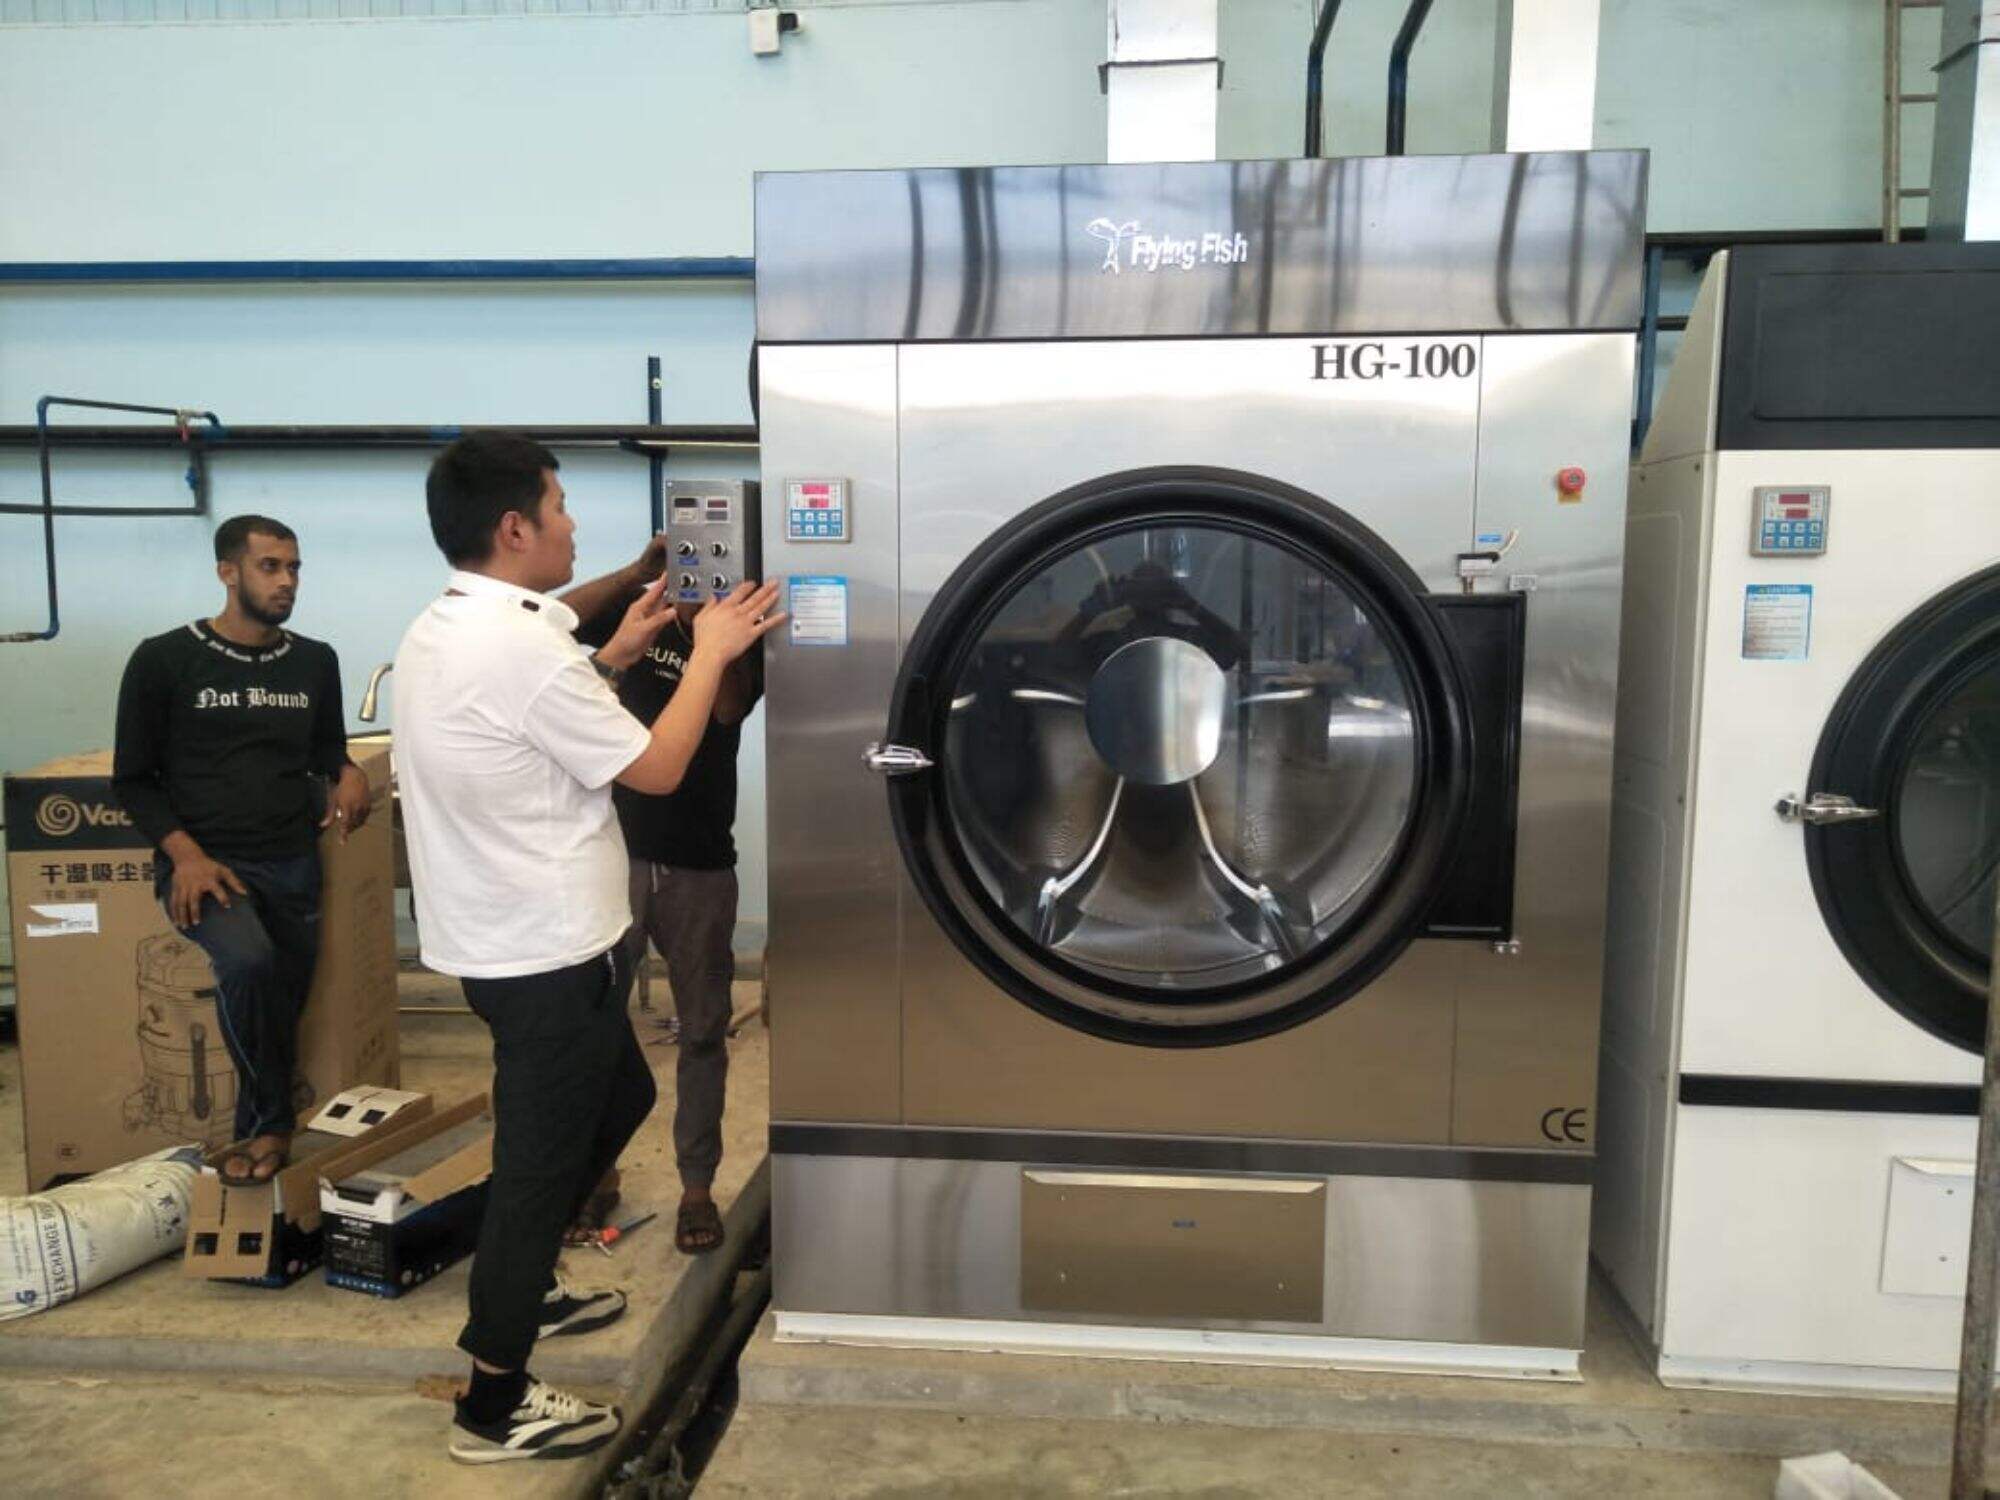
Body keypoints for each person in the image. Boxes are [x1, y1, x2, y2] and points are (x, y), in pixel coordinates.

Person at [391, 432, 781, 1465]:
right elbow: (653, 768)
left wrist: (636, 604)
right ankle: (493, 1399)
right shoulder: (519, 651)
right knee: (536, 1168)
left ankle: (530, 1288)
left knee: (624, 1101)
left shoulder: (460, 623)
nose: (571, 524)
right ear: (515, 527)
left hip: (507, 942)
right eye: (559, 507)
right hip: (547, 957)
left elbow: (559, 653)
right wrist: (708, 652)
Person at [112, 515, 371, 1183]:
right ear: (228, 572)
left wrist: (348, 771)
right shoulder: (164, 659)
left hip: (291, 861)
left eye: (294, 567)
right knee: (250, 964)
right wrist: (185, 857)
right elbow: (133, 779)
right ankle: (268, 1127)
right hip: (207, 865)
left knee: (283, 996)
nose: (286, 581)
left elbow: (325, 752)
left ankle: (262, 1120)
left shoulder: (316, 661)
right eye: (269, 567)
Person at [567, 568, 762, 1257]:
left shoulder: (741, 635)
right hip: (614, 857)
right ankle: (596, 1172)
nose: (697, 576)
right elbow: (551, 621)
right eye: (687, 556)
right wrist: (638, 570)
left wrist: (711, 632)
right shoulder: (635, 613)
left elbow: (727, 709)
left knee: (704, 1031)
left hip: (701, 864)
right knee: (594, 1030)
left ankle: (697, 1189)